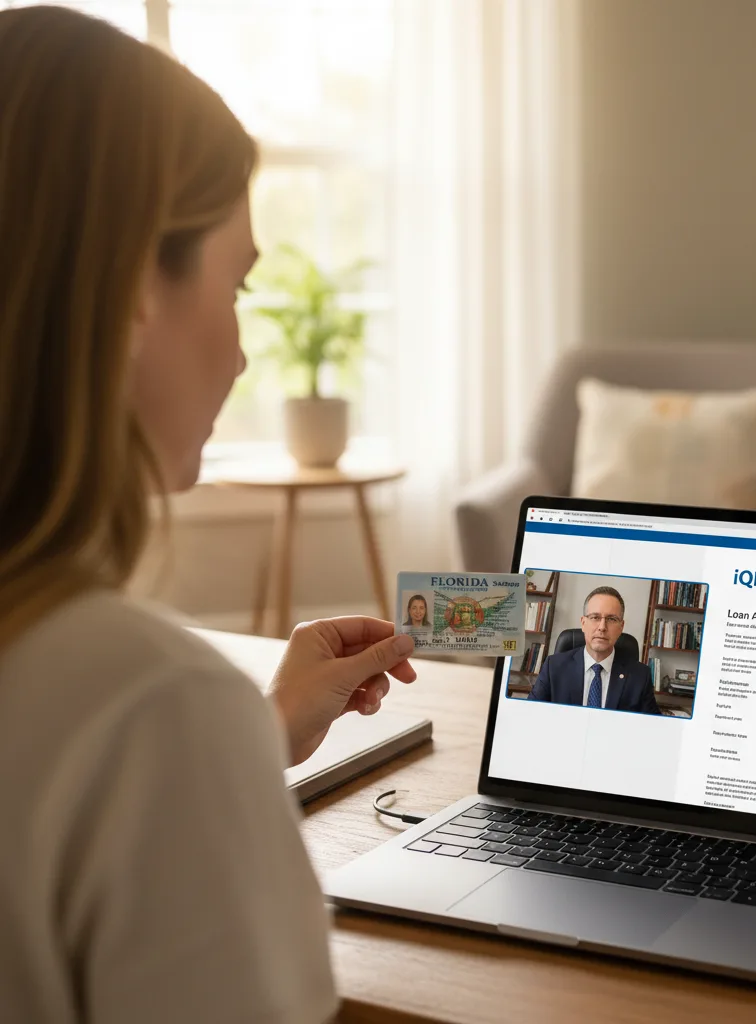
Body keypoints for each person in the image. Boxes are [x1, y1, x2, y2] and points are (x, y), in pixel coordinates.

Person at [0, 8, 417, 1022]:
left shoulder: (142, 715)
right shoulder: (151, 704)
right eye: (233, 281)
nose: (237, 356)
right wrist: (201, 744)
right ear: (133, 280)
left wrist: (251, 739)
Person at [528, 586, 661, 714]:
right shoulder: (553, 667)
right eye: (595, 617)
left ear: (621, 627)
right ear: (583, 623)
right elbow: (530, 714)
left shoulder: (640, 676)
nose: (602, 627)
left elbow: (653, 727)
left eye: (611, 619)